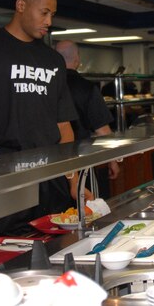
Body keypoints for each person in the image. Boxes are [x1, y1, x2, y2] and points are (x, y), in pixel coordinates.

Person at [0, 0, 90, 236]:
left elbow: (63, 125)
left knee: (56, 253)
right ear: (21, 5)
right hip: (5, 176)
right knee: (7, 260)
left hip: (51, 178)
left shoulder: (52, 60)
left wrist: (73, 180)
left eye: (52, 14)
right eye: (44, 12)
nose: (49, 21)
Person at [55, 40, 120, 199]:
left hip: (54, 164)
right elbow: (103, 131)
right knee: (89, 212)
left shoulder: (48, 86)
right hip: (82, 164)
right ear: (77, 59)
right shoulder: (87, 88)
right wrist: (113, 160)